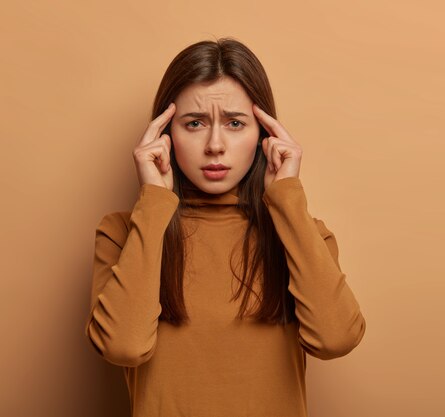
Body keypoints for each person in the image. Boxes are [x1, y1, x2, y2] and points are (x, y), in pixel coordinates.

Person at [83, 37, 366, 417]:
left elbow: (336, 340)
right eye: (195, 123)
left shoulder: (301, 232)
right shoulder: (123, 233)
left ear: (264, 136)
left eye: (235, 123)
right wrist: (153, 202)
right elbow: (123, 347)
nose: (215, 145)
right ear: (163, 137)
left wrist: (287, 199)